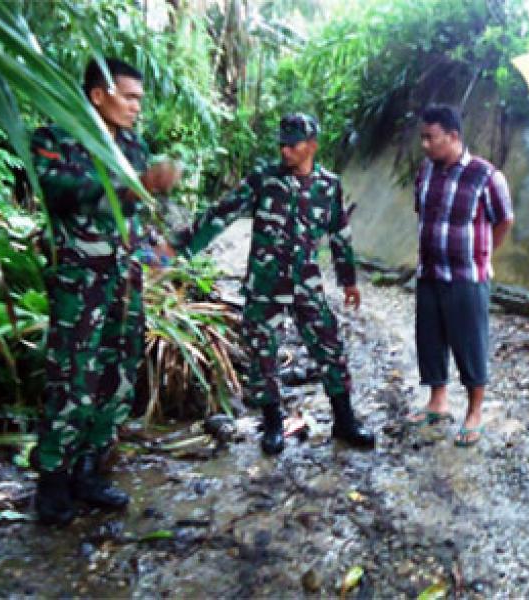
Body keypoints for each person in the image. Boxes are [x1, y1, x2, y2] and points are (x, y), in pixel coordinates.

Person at [171, 113, 375, 454]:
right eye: (281, 144)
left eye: (292, 145)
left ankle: (344, 420)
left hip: (307, 285)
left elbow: (340, 235)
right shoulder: (264, 180)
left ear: (312, 145)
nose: (284, 150)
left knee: (329, 346)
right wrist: (183, 249)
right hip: (265, 283)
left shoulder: (329, 185)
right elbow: (223, 213)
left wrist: (348, 280)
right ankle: (273, 424)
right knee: (261, 353)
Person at [31, 58, 179, 525]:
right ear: (99, 95)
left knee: (118, 372)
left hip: (124, 278)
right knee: (73, 375)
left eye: (140, 98)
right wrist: (125, 183)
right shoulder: (55, 139)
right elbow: (58, 192)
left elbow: (136, 209)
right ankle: (52, 480)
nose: (137, 107)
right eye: (129, 97)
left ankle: (89, 469)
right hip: (80, 280)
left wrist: (156, 248)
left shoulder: (134, 147)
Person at [405, 104, 514, 447]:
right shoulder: (426, 172)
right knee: (431, 338)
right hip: (430, 273)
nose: (424, 144)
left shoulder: (486, 175)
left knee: (470, 343)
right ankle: (438, 401)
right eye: (422, 137)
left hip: (468, 276)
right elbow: (420, 213)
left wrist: (482, 255)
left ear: (453, 136)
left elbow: (504, 220)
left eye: (430, 138)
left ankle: (474, 412)